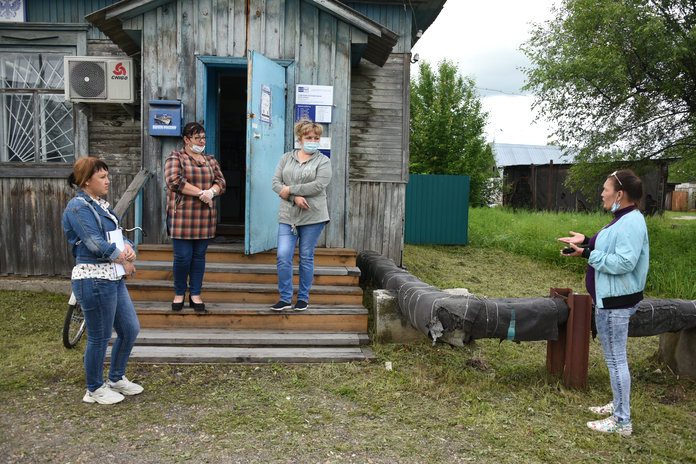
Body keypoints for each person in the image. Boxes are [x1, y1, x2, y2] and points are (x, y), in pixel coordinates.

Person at [558, 169, 649, 436]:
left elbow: (624, 262)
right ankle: (619, 404)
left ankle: (622, 421)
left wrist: (587, 254)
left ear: (620, 194)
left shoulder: (631, 221)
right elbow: (611, 248)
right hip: (611, 300)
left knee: (616, 361)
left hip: (616, 303)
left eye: (605, 189)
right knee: (615, 360)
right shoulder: (623, 219)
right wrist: (585, 242)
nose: (602, 194)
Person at [62, 157, 143, 405]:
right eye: (102, 177)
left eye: (108, 176)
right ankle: (94, 388)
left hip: (112, 277)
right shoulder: (78, 207)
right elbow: (94, 242)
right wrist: (124, 259)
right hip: (93, 278)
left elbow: (116, 235)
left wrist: (129, 248)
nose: (108, 181)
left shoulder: (101, 206)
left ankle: (116, 378)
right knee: (99, 336)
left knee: (130, 329)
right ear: (87, 181)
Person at [271, 119, 332, 311]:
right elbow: (275, 183)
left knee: (306, 256)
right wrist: (295, 197)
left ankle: (303, 298)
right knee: (283, 256)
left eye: (316, 137)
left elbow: (318, 185)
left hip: (313, 216)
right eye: (309, 137)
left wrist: (290, 190)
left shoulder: (323, 161)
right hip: (288, 216)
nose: (313, 140)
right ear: (300, 139)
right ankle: (285, 298)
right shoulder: (286, 158)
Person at [165, 122, 226, 312]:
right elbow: (174, 181)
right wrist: (201, 192)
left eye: (203, 137)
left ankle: (195, 294)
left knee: (199, 258)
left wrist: (212, 192)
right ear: (186, 139)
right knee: (183, 258)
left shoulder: (210, 159)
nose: (201, 141)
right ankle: (179, 293)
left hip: (204, 216)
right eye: (197, 138)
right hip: (182, 216)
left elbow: (221, 182)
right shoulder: (176, 157)